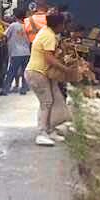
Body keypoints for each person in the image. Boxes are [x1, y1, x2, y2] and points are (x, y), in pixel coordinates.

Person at [24, 11, 78, 147]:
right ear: (59, 25)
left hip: (42, 73)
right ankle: (41, 134)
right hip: (37, 73)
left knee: (55, 100)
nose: (64, 27)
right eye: (63, 24)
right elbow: (49, 58)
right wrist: (66, 70)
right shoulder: (49, 36)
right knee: (46, 103)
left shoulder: (46, 32)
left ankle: (51, 130)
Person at [0, 7, 31, 96]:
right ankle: (24, 89)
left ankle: (5, 90)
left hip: (16, 53)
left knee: (11, 72)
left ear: (15, 16)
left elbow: (4, 36)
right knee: (24, 72)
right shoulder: (27, 26)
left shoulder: (13, 25)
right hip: (26, 52)